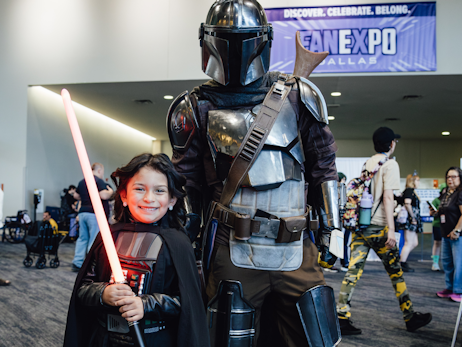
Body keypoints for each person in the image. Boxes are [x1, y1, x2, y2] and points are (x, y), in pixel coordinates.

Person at [167, 1, 342, 346]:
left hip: (295, 246)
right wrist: (181, 240)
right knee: (228, 338)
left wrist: (333, 228)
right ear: (208, 40)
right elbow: (185, 183)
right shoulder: (194, 106)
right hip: (231, 248)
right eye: (225, 38)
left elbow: (324, 167)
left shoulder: (299, 96)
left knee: (315, 338)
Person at [63, 153, 209, 347]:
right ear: (123, 195)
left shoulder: (178, 243)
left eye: (159, 191)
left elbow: (188, 303)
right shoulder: (108, 237)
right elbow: (83, 290)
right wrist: (103, 293)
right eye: (139, 189)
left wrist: (145, 304)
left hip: (154, 340)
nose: (149, 198)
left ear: (172, 199)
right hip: (104, 339)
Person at [337, 127, 432, 335]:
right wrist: (391, 230)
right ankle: (409, 316)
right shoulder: (391, 164)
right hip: (379, 228)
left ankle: (341, 316)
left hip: (361, 227)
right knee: (396, 273)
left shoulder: (368, 163)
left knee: (352, 272)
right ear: (390, 144)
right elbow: (388, 198)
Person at [71, 163, 113, 272]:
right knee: (94, 239)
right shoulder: (98, 181)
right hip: (93, 214)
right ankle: (91, 264)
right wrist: (110, 192)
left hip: (82, 213)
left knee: (82, 238)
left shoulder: (82, 181)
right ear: (99, 170)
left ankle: (77, 262)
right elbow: (103, 195)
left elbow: (76, 195)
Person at [432, 167, 462, 303]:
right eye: (448, 177)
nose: (450, 179)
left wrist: (457, 230)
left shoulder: (460, 193)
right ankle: (450, 288)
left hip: (457, 235)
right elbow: (443, 211)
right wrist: (435, 212)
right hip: (445, 234)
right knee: (447, 263)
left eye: (454, 177)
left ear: (460, 178)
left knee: (459, 264)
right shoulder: (446, 193)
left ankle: (459, 290)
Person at [399, 174, 422, 272]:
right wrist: (412, 217)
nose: (418, 182)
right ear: (413, 181)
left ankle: (402, 260)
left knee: (414, 243)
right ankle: (402, 263)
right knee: (408, 243)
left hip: (413, 219)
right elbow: (407, 203)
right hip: (410, 219)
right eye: (417, 180)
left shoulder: (412, 191)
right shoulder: (409, 191)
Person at [430, 185, 446, 271]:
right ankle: (435, 263)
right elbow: (431, 213)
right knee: (437, 243)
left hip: (448, 225)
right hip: (437, 224)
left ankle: (446, 264)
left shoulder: (451, 200)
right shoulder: (436, 200)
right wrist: (434, 212)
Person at [338, 172, 350, 272]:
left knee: (343, 242)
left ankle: (345, 262)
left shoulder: (342, 190)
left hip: (344, 219)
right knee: (342, 242)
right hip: (342, 220)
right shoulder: (340, 189)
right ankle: (344, 262)